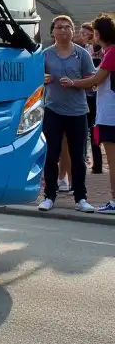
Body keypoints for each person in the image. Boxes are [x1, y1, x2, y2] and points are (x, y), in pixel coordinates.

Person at [38, 15, 95, 212]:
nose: (63, 30)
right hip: (52, 109)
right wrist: (41, 79)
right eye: (59, 27)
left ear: (73, 30)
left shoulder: (82, 55)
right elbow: (33, 80)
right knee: (51, 155)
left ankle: (81, 198)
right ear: (52, 31)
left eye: (67, 27)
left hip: (77, 111)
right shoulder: (45, 55)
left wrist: (74, 83)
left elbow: (92, 80)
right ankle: (49, 196)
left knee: (78, 156)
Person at [73, 14, 115, 213]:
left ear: (98, 33)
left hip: (110, 115)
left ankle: (114, 201)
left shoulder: (111, 52)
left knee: (113, 162)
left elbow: (95, 80)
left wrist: (72, 83)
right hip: (109, 113)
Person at [80, 22, 105, 173]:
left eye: (85, 33)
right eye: (81, 33)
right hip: (85, 94)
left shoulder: (99, 49)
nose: (82, 35)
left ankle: (98, 164)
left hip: (95, 95)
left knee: (93, 128)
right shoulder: (82, 50)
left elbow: (98, 71)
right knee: (84, 129)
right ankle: (84, 161)